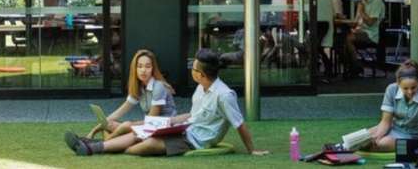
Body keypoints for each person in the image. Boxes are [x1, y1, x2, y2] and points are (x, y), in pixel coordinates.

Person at [66, 49, 270, 157]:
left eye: (194, 68)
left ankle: (98, 144)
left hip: (195, 140)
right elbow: (192, 116)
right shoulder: (201, 88)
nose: (191, 70)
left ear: (200, 74)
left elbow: (239, 124)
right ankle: (92, 147)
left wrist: (252, 149)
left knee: (142, 146)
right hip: (184, 129)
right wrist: (170, 122)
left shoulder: (225, 95)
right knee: (138, 133)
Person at [79, 49, 177, 142]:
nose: (143, 70)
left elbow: (152, 119)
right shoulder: (139, 87)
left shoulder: (158, 87)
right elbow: (119, 113)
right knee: (109, 124)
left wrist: (129, 125)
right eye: (140, 66)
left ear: (153, 69)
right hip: (149, 126)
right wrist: (93, 131)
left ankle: (105, 141)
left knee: (126, 126)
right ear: (135, 69)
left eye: (147, 66)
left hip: (163, 128)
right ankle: (102, 139)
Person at [361, 60, 418, 152]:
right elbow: (385, 122)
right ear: (398, 84)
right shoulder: (391, 89)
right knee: (362, 138)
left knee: (381, 143)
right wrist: (377, 136)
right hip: (391, 128)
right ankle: (344, 147)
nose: (410, 92)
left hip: (412, 138)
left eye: (413, 87)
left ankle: (413, 147)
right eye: (405, 88)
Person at [343, 0, 385, 78]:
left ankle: (356, 68)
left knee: (347, 39)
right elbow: (356, 22)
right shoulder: (362, 3)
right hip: (359, 31)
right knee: (340, 39)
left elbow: (370, 22)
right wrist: (340, 20)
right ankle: (352, 67)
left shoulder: (377, 3)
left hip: (371, 34)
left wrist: (361, 11)